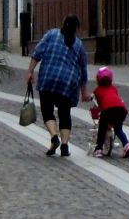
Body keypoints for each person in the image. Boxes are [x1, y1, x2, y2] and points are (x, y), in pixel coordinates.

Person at [26, 14, 89, 157]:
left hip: (48, 78)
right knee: (65, 113)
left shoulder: (51, 34)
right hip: (67, 83)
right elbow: (83, 71)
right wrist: (84, 92)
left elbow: (37, 54)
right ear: (76, 28)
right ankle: (65, 145)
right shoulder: (79, 45)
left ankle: (54, 137)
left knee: (47, 111)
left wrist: (30, 72)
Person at [88, 66, 129, 158]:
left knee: (102, 129)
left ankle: (99, 149)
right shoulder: (113, 88)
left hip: (108, 110)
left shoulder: (97, 90)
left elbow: (100, 105)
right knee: (118, 129)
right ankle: (126, 145)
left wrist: (89, 97)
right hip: (121, 109)